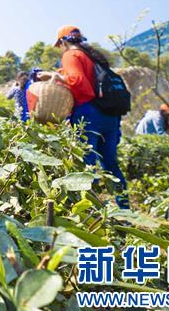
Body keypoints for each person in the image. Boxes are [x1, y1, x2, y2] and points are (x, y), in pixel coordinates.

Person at [45, 26, 129, 208]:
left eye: (59, 45)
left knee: (86, 165)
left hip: (89, 113)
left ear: (63, 42)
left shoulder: (71, 55)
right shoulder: (91, 55)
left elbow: (79, 82)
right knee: (110, 164)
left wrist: (54, 77)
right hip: (109, 115)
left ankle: (88, 211)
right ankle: (125, 210)